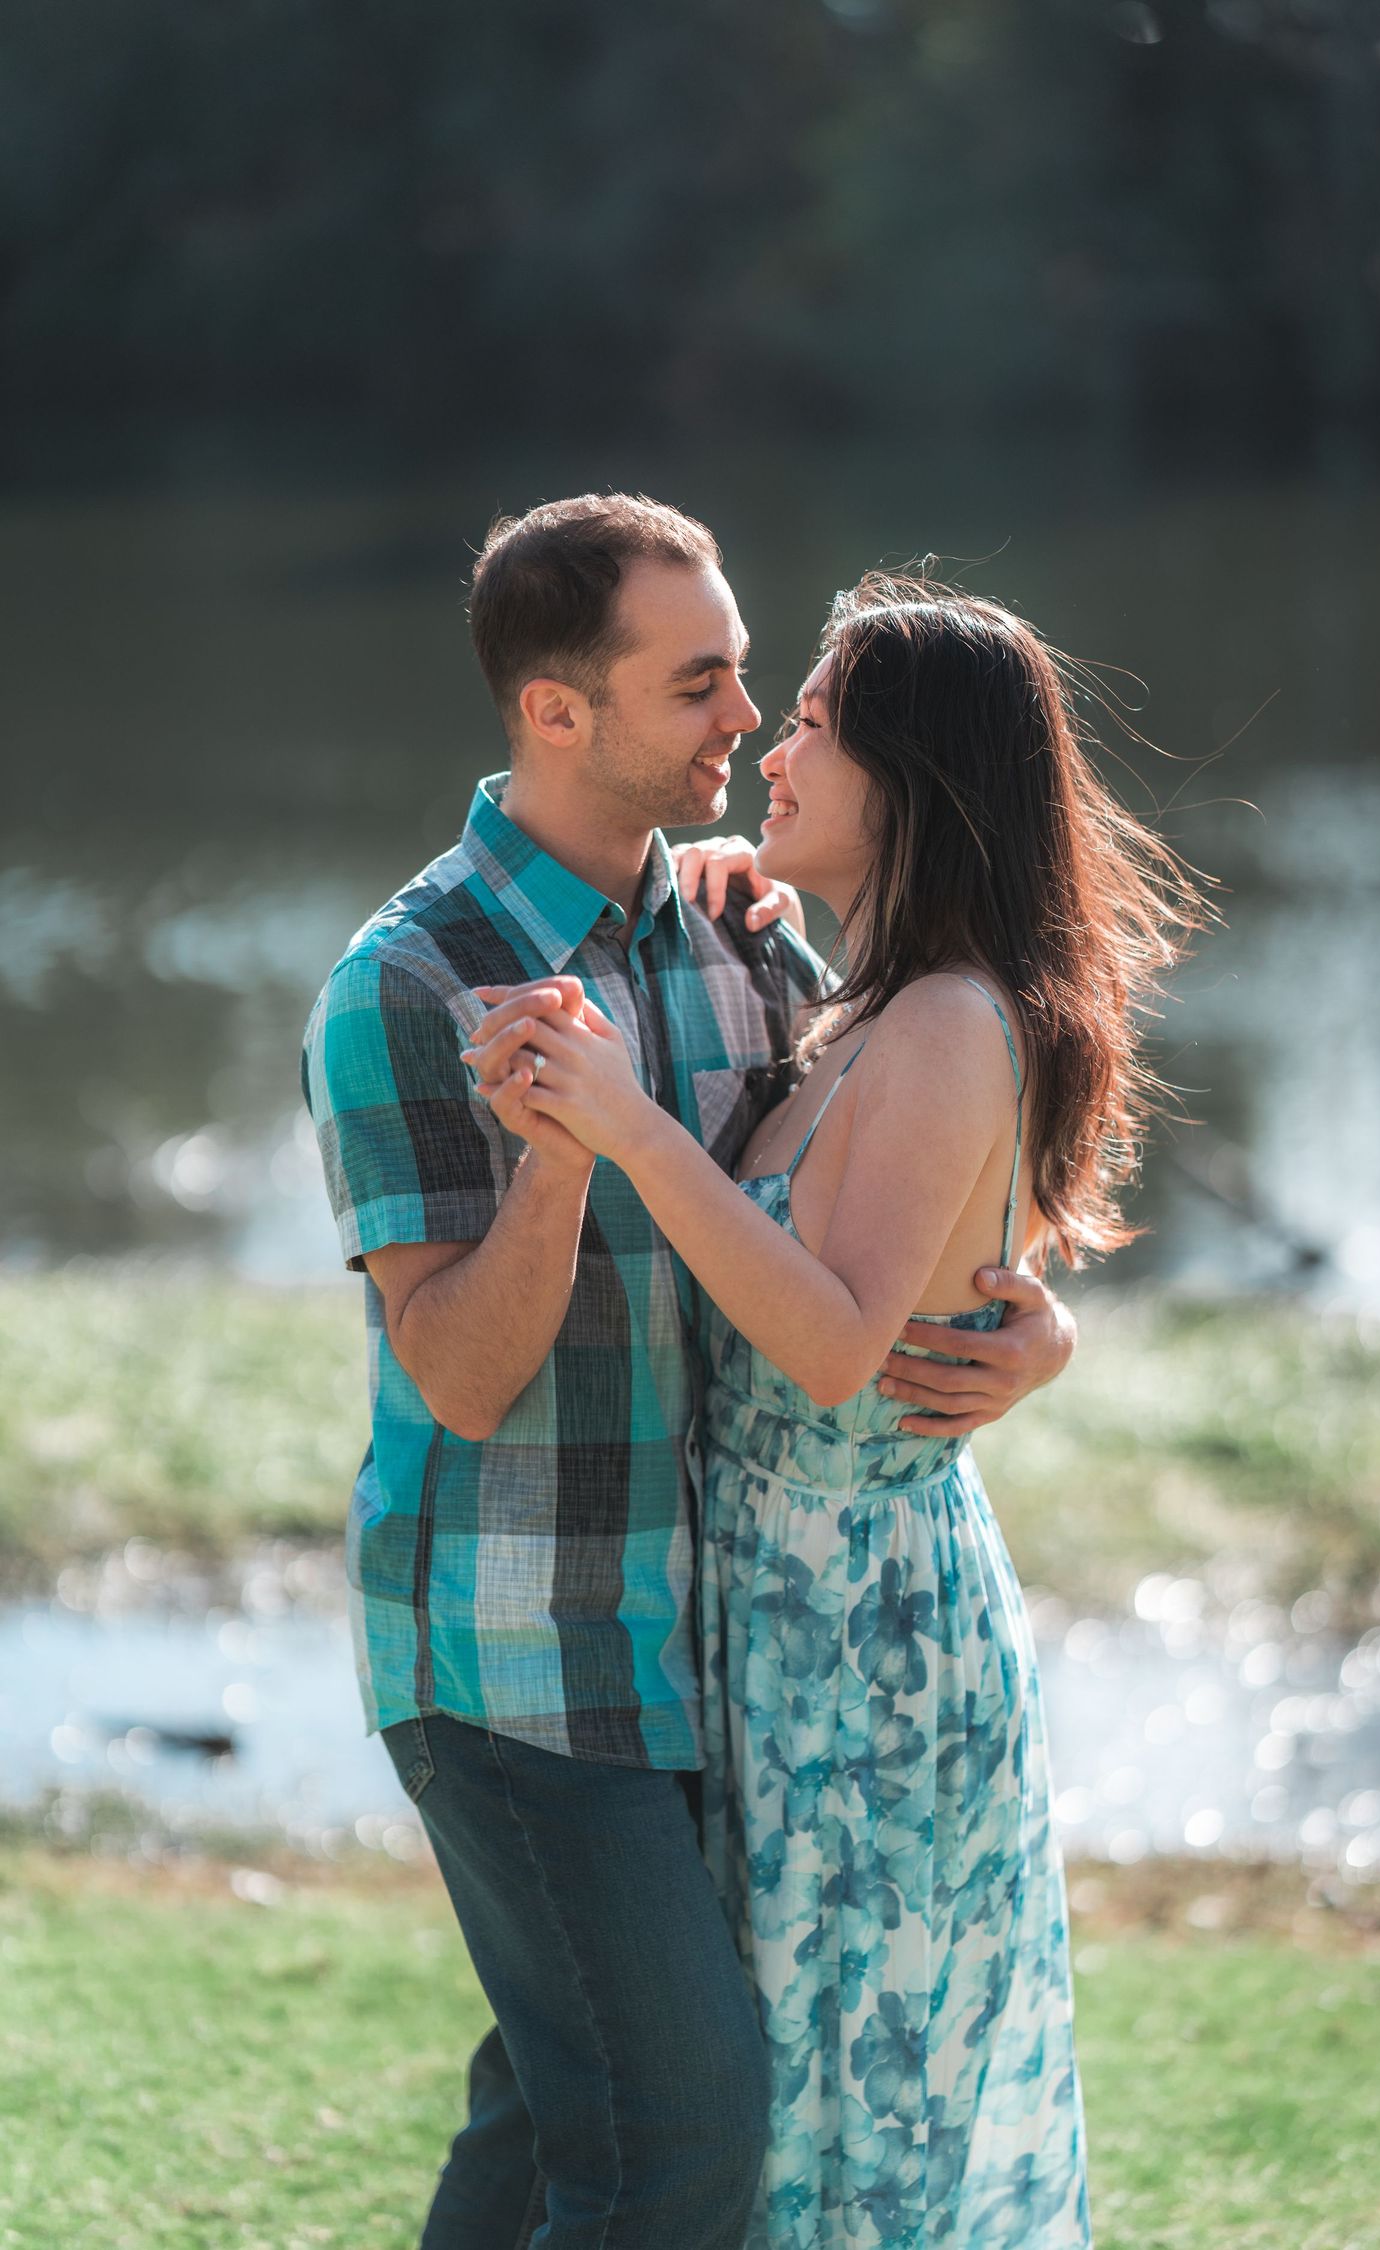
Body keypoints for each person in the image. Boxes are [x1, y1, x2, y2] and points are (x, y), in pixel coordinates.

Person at [300, 496, 1078, 2250]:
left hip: (731, 1649)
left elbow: (896, 1192)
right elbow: (460, 1381)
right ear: (556, 710)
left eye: (751, 677)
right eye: (700, 682)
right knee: (680, 2127)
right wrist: (561, 1162)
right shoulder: (404, 984)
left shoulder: (749, 937)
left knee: (552, 2106)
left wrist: (1033, 1323)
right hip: (522, 1648)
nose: (745, 716)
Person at [471, 572, 1204, 2246]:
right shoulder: (866, 1004)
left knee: (861, 2148)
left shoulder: (946, 1023)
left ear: (913, 778)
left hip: (870, 1652)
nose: (769, 751)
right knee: (771, 2123)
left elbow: (833, 1342)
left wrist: (633, 1124)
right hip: (783, 1625)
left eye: (809, 722)